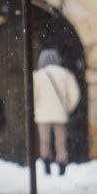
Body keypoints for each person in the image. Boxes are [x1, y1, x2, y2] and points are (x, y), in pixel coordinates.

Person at [32, 48, 81, 176]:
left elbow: (34, 96)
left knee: (44, 140)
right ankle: (61, 163)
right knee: (60, 141)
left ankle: (46, 162)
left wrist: (37, 108)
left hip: (42, 114)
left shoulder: (37, 76)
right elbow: (74, 94)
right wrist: (68, 108)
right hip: (60, 113)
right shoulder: (65, 74)